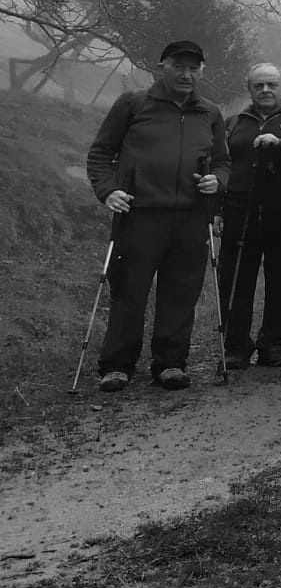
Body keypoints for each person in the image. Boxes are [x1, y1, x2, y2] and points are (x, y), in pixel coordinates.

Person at [85, 40, 232, 393]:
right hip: (139, 215)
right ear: (161, 66)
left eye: (193, 68)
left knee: (180, 294)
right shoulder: (133, 104)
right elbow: (101, 153)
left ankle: (170, 363)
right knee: (129, 291)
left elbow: (223, 162)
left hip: (191, 219)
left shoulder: (210, 112)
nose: (186, 74)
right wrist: (108, 190)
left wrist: (218, 181)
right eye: (178, 66)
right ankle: (117, 365)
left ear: (202, 71)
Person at [217, 62, 281, 370]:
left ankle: (273, 343)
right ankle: (236, 345)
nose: (265, 90)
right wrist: (217, 210)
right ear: (249, 89)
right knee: (235, 280)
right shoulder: (233, 123)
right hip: (239, 211)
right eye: (258, 85)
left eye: (272, 85)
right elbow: (220, 164)